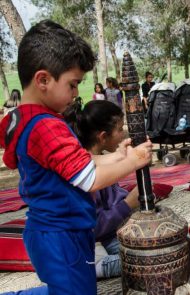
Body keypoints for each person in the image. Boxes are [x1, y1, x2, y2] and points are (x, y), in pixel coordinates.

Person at [0, 20, 153, 294]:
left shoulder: (25, 120)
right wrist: (133, 162)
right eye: (72, 85)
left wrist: (118, 157)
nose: (75, 94)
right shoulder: (47, 127)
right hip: (62, 236)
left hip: (56, 232)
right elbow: (90, 179)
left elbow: (80, 162)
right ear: (43, 80)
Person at [63, 99, 140, 279]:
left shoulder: (99, 159)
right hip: (97, 240)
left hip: (111, 235)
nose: (123, 135)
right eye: (120, 129)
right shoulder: (87, 174)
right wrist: (128, 204)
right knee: (145, 261)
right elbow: (94, 227)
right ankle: (95, 268)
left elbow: (112, 196)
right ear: (103, 136)